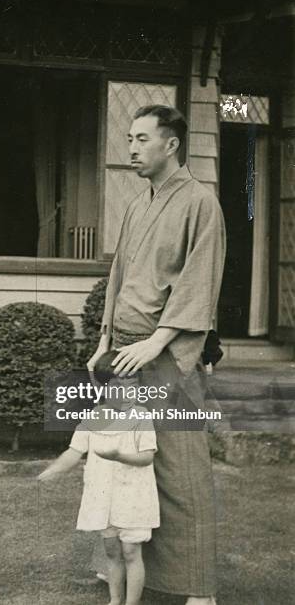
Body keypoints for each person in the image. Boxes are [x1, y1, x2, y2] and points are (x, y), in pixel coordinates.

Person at [87, 105, 226, 605]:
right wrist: (105, 338)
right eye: (129, 138)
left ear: (171, 144)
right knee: (125, 462)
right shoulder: (135, 205)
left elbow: (199, 282)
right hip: (126, 352)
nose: (131, 148)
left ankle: (198, 589)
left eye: (142, 138)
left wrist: (158, 340)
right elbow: (118, 277)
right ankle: (127, 569)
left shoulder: (200, 203)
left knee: (179, 466)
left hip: (169, 353)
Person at [38, 350, 159, 605]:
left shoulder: (141, 417)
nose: (127, 393)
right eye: (119, 386)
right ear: (103, 388)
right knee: (112, 551)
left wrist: (119, 455)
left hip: (134, 496)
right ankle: (115, 600)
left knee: (131, 551)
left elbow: (147, 457)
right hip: (103, 497)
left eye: (133, 385)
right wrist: (54, 469)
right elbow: (74, 452)